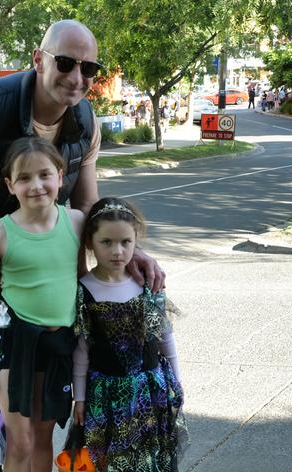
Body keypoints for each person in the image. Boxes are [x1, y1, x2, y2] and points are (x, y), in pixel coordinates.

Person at [0, 19, 165, 472]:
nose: (77, 77)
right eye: (66, 63)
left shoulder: (85, 121)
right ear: (39, 59)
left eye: (89, 68)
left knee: (21, 409)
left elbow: (88, 206)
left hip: (31, 276)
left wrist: (129, 251)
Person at [0, 136, 84, 472]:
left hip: (59, 345)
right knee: (20, 439)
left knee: (42, 435)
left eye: (44, 175)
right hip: (14, 345)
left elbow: (84, 279)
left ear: (60, 176)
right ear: (10, 185)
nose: (36, 185)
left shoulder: (77, 223)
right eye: (24, 178)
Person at [72, 197, 188, 471]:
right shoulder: (84, 290)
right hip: (106, 396)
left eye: (126, 242)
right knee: (111, 460)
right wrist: (79, 397)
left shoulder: (146, 285)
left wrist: (177, 383)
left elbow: (165, 337)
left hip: (150, 391)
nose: (117, 251)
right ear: (90, 242)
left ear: (136, 242)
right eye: (107, 242)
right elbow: (81, 349)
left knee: (151, 457)